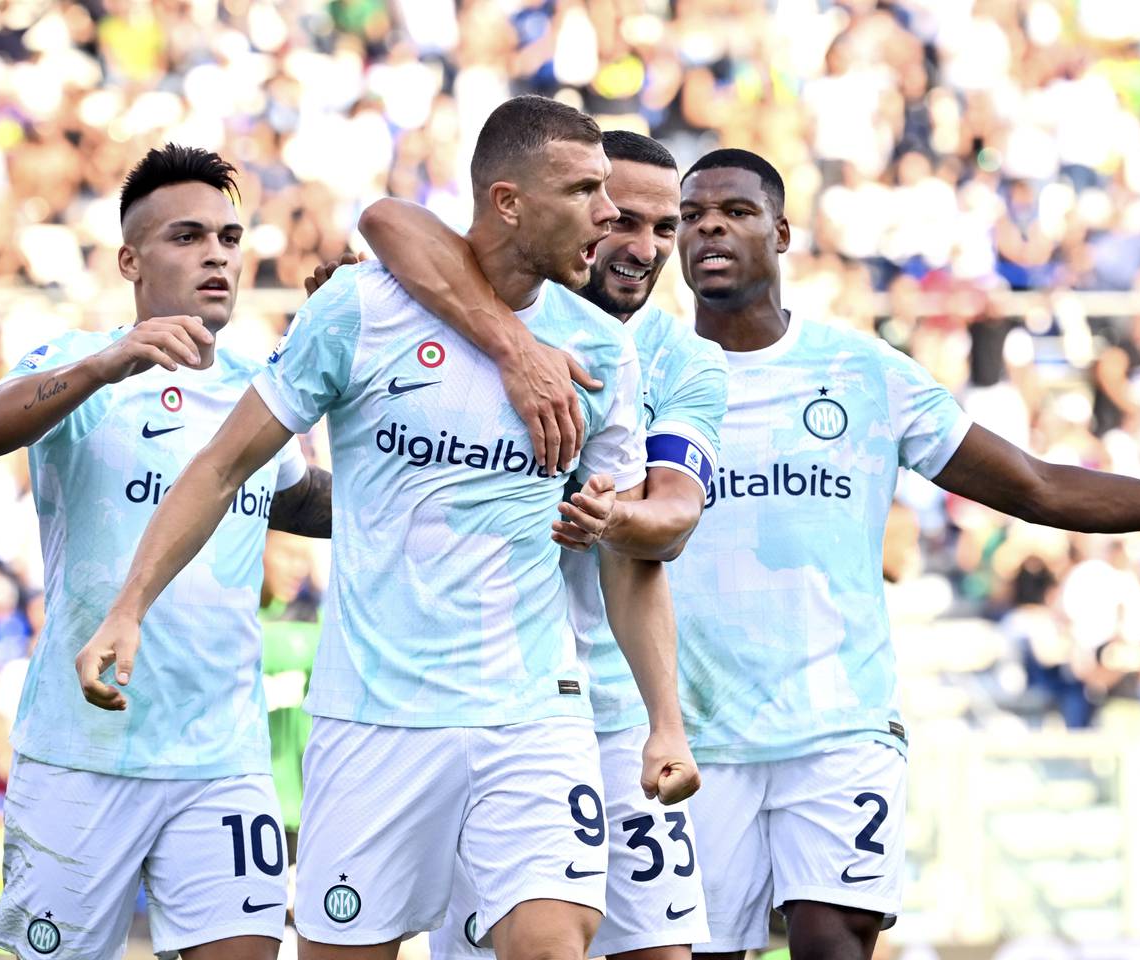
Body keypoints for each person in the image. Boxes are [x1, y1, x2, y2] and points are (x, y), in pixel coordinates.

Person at [75, 95, 698, 960]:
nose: (607, 213)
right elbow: (221, 466)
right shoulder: (358, 312)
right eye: (587, 190)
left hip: (533, 711)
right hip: (373, 716)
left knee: (552, 941)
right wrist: (129, 606)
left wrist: (665, 718)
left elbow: (630, 560)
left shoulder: (601, 349)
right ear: (510, 201)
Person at [662, 148, 1140, 960]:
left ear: (782, 232)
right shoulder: (650, 374)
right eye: (692, 215)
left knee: (832, 944)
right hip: (697, 735)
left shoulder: (863, 373)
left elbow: (1036, 486)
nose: (709, 225)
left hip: (839, 727)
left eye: (735, 211)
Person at [346, 129, 727, 960]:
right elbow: (385, 219)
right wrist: (511, 344)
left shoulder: (679, 359)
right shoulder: (464, 296)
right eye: (620, 215)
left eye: (665, 229)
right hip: (478, 705)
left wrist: (612, 519)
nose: (639, 245)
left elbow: (670, 518)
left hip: (613, 708)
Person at [0, 144, 332, 960]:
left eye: (231, 240)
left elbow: (300, 501)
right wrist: (103, 364)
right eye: (189, 236)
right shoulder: (81, 363)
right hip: (80, 755)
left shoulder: (258, 384)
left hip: (221, 758)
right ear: (132, 259)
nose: (217, 256)